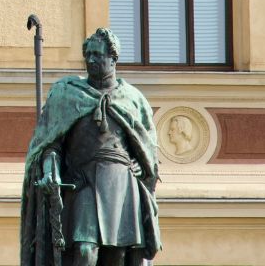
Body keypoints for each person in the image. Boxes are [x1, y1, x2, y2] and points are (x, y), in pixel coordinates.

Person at [20, 28, 160, 266]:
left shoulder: (132, 99)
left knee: (117, 254)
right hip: (82, 181)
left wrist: (143, 165)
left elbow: (147, 147)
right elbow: (49, 144)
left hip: (121, 184)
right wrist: (49, 169)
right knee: (85, 250)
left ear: (113, 59)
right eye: (88, 55)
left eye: (98, 55)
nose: (91, 60)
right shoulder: (68, 93)